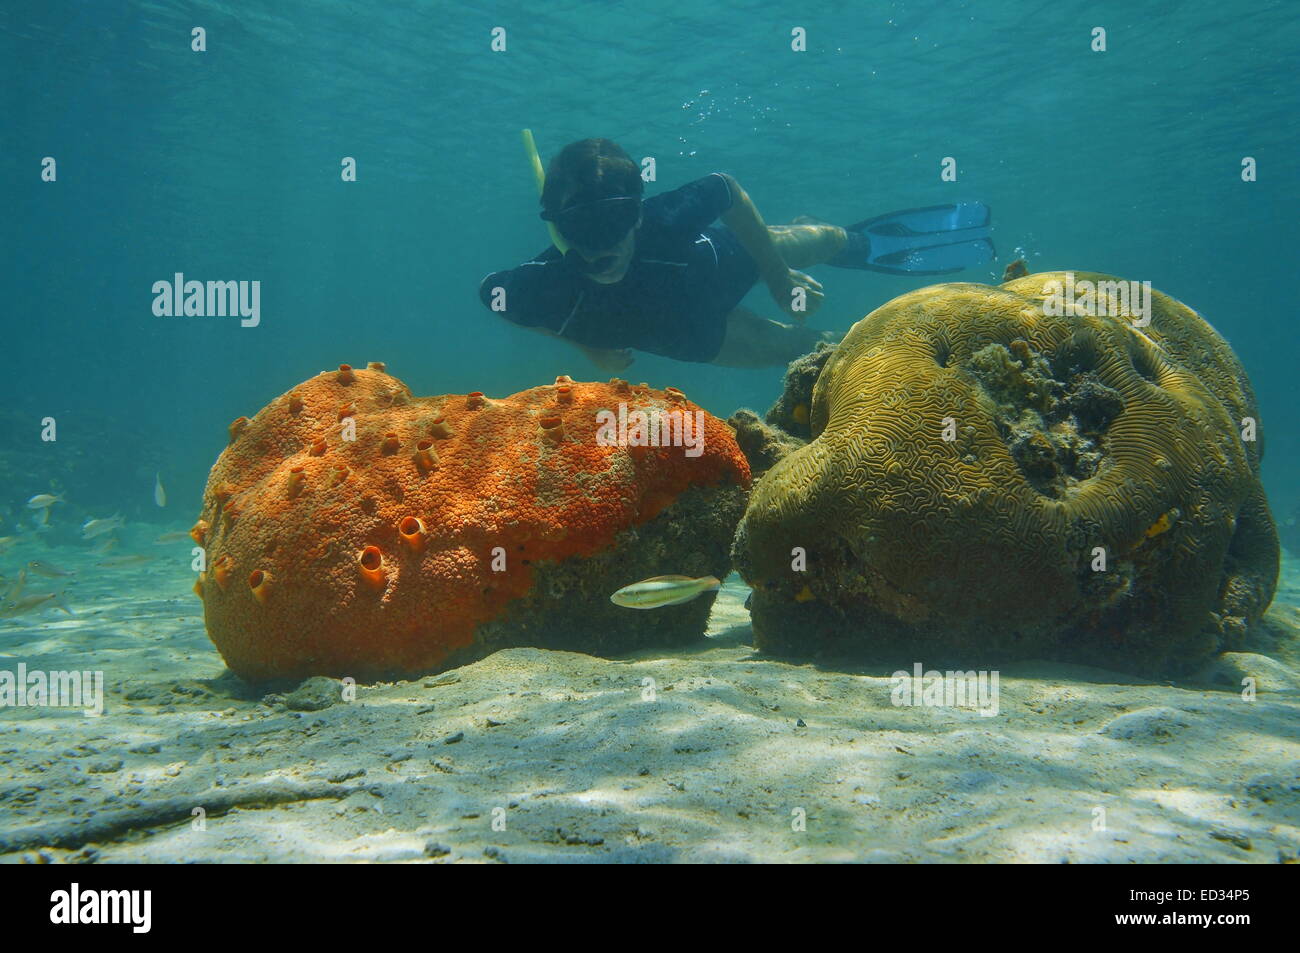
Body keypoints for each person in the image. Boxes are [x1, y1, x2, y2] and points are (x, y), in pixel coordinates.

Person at [479, 138, 993, 369]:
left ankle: (850, 243)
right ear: (557, 227)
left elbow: (726, 189)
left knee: (825, 240)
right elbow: (498, 299)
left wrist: (776, 275)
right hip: (687, 334)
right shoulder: (537, 287)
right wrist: (583, 346)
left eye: (612, 222)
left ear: (638, 211)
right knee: (814, 353)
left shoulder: (667, 217)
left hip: (715, 262)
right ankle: (911, 353)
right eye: (580, 229)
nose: (600, 247)